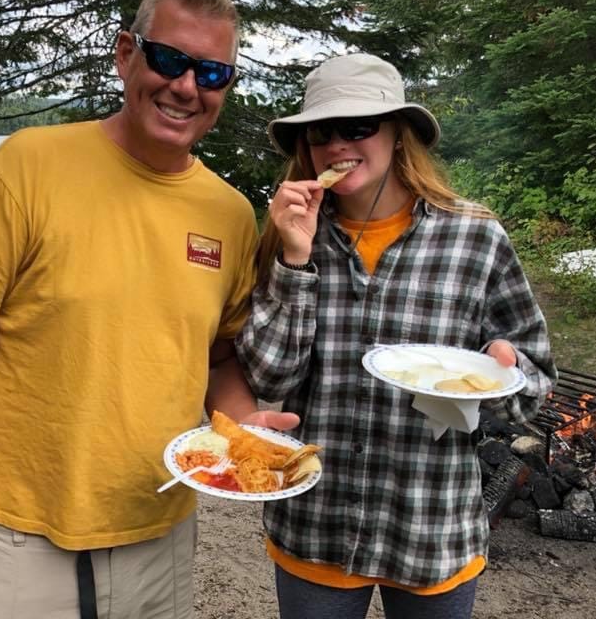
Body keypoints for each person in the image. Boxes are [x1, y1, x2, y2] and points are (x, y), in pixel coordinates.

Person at [0, 0, 297, 619]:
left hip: (162, 532)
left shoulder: (229, 214)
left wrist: (238, 431)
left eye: (211, 74)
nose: (186, 87)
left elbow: (219, 358)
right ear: (127, 53)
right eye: (170, 59)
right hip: (19, 539)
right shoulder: (29, 169)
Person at [235, 53, 557, 619]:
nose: (337, 145)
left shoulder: (474, 238)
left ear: (399, 135)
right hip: (318, 527)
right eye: (321, 132)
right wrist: (293, 257)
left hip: (431, 528)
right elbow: (269, 377)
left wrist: (503, 375)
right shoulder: (293, 236)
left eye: (359, 126)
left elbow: (535, 378)